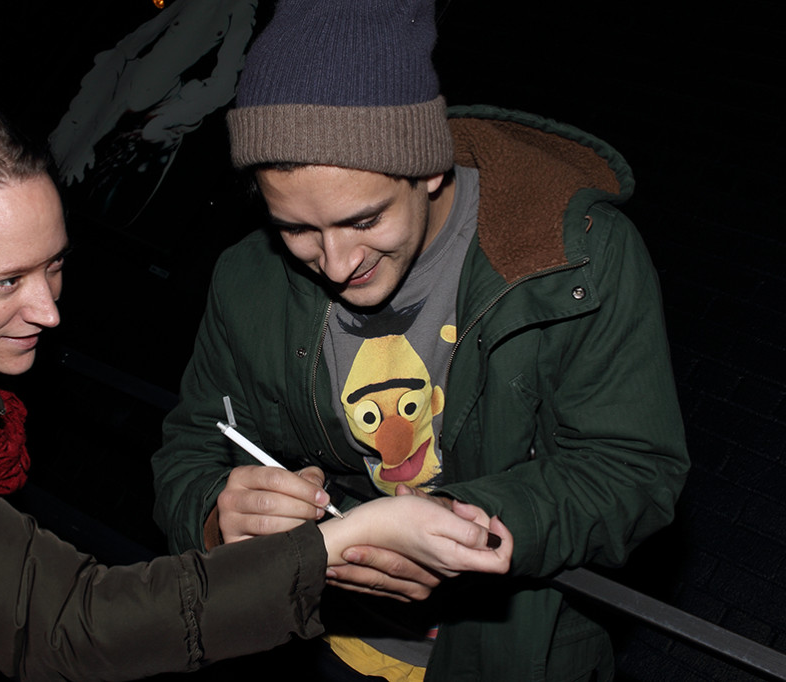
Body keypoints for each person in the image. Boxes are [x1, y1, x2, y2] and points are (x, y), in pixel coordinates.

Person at [0, 92, 512, 682]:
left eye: (54, 264)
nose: (48, 309)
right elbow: (62, 625)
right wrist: (337, 545)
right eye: (5, 281)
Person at [151, 1, 690, 680]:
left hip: (509, 652)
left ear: (429, 165)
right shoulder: (248, 278)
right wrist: (214, 514)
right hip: (313, 642)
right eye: (296, 229)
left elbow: (634, 471)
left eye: (364, 218)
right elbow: (193, 448)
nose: (338, 261)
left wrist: (476, 519)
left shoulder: (575, 261)